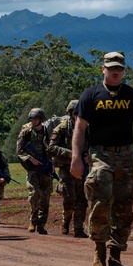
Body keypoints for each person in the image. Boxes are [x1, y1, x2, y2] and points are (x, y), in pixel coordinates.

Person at [70, 51, 133, 266]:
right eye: (111, 67)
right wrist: (76, 157)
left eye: (119, 68)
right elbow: (79, 129)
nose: (116, 71)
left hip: (126, 156)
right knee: (100, 203)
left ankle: (115, 257)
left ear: (124, 70)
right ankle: (99, 253)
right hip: (100, 155)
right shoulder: (90, 95)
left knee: (124, 208)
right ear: (103, 69)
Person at [48, 100, 88, 238]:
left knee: (82, 199)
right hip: (66, 167)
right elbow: (52, 147)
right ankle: (66, 221)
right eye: (75, 113)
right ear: (71, 113)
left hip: (83, 167)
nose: (78, 115)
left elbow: (95, 144)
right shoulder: (62, 128)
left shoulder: (87, 127)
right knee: (69, 197)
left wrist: (89, 156)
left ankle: (78, 228)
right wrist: (71, 154)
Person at [17, 108, 54, 234]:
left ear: (41, 119)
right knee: (35, 193)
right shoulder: (26, 131)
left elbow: (51, 148)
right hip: (32, 168)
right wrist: (30, 158)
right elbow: (19, 150)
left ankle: (41, 224)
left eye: (36, 118)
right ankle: (33, 221)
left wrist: (52, 164)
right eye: (32, 119)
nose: (33, 121)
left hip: (45, 167)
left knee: (46, 196)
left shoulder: (46, 131)